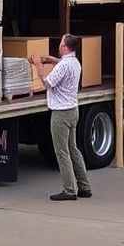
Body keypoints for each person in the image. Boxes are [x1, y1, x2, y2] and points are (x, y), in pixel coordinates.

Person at [29, 34, 92, 201]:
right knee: (73, 149)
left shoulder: (64, 65)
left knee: (62, 152)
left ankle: (69, 190)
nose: (59, 45)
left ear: (65, 47)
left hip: (61, 113)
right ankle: (84, 186)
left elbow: (48, 83)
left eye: (61, 43)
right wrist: (52, 60)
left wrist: (37, 65)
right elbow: (64, 64)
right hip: (73, 110)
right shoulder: (75, 62)